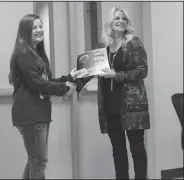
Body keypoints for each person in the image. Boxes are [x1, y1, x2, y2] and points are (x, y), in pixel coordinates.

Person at [75, 7, 150, 179]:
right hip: (110, 104)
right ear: (110, 21)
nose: (121, 21)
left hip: (132, 106)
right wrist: (72, 84)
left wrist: (116, 75)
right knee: (118, 151)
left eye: (124, 18)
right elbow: (89, 70)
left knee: (137, 149)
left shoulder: (134, 42)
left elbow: (142, 70)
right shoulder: (103, 45)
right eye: (117, 18)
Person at [8, 14, 77, 179]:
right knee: (38, 161)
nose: (40, 30)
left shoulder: (34, 51)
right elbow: (36, 83)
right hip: (30, 114)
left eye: (40, 26)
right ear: (26, 31)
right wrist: (64, 87)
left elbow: (45, 80)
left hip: (38, 113)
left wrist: (68, 78)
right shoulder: (23, 51)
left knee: (35, 161)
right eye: (35, 27)